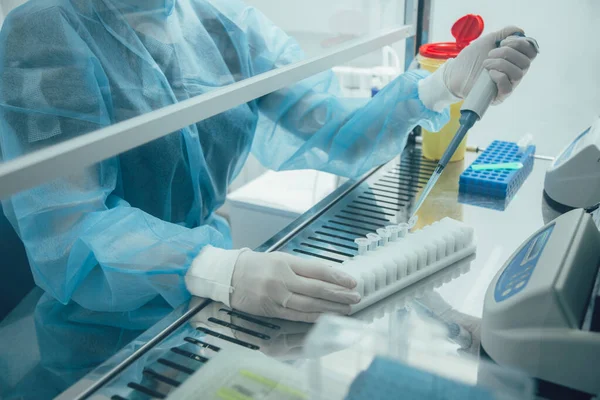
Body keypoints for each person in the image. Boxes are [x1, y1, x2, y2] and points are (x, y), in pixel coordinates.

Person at [0, 0, 538, 324]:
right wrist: (214, 266)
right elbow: (69, 230)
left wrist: (443, 84)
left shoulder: (219, 23)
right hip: (97, 334)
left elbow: (335, 129)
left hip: (206, 304)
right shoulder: (44, 33)